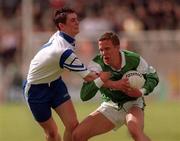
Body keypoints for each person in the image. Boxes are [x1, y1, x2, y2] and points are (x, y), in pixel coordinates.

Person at [22, 7, 112, 141]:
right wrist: (114, 75)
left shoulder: (63, 37)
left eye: (77, 19)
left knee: (73, 125)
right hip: (36, 89)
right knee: (52, 132)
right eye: (73, 20)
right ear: (61, 26)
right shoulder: (62, 51)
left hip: (55, 84)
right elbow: (88, 77)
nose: (77, 22)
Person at [72, 32, 159, 141]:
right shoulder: (97, 65)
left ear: (117, 47)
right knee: (77, 136)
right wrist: (101, 80)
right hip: (111, 105)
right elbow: (84, 95)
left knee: (135, 130)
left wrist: (141, 92)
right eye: (101, 50)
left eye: (107, 49)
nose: (103, 53)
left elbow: (153, 76)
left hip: (133, 103)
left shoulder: (134, 59)